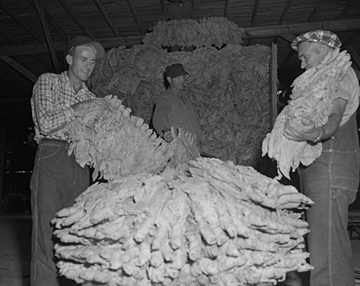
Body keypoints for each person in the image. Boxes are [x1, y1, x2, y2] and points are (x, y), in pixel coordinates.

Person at [284, 30, 360, 286]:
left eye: (305, 57)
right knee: (325, 248)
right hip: (321, 171)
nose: (302, 64)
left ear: (323, 50)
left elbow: (334, 117)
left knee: (327, 256)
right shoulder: (322, 79)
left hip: (330, 169)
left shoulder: (338, 75)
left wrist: (314, 133)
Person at [30, 36, 107, 286]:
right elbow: (46, 123)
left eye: (93, 62)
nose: (88, 66)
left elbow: (97, 139)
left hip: (81, 163)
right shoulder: (48, 82)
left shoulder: (94, 97)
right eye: (84, 59)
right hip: (52, 156)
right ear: (69, 59)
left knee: (75, 236)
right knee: (47, 236)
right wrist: (80, 108)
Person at [152, 63, 202, 146]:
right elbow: (159, 117)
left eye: (183, 77)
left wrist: (199, 139)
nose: (182, 80)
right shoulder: (165, 98)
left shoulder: (185, 98)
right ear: (169, 79)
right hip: (177, 146)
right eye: (178, 78)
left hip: (192, 145)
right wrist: (165, 130)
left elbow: (192, 121)